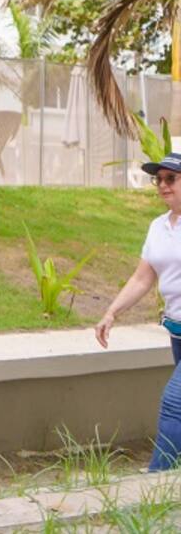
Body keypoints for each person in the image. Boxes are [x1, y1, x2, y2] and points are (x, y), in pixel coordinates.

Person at [96, 151, 181, 470]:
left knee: (175, 402)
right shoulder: (159, 227)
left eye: (171, 178)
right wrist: (111, 313)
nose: (162, 185)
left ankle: (158, 477)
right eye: (158, 179)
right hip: (176, 329)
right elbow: (143, 277)